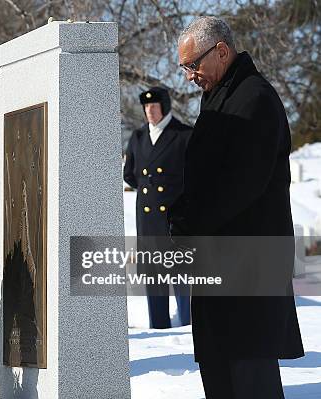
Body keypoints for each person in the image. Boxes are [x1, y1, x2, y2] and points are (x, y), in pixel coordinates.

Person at [170, 16, 304, 398]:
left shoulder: (254, 98)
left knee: (250, 381)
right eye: (185, 68)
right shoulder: (223, 97)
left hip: (248, 274)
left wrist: (188, 220)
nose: (190, 75)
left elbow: (241, 183)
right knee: (221, 377)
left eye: (193, 64)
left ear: (222, 51)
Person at [123, 87, 192, 329]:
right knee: (155, 281)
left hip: (177, 221)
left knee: (182, 280)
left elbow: (195, 178)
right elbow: (130, 175)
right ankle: (159, 330)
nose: (149, 112)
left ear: (165, 107)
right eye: (146, 107)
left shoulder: (184, 135)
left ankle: (187, 328)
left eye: (154, 107)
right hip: (149, 222)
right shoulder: (138, 137)